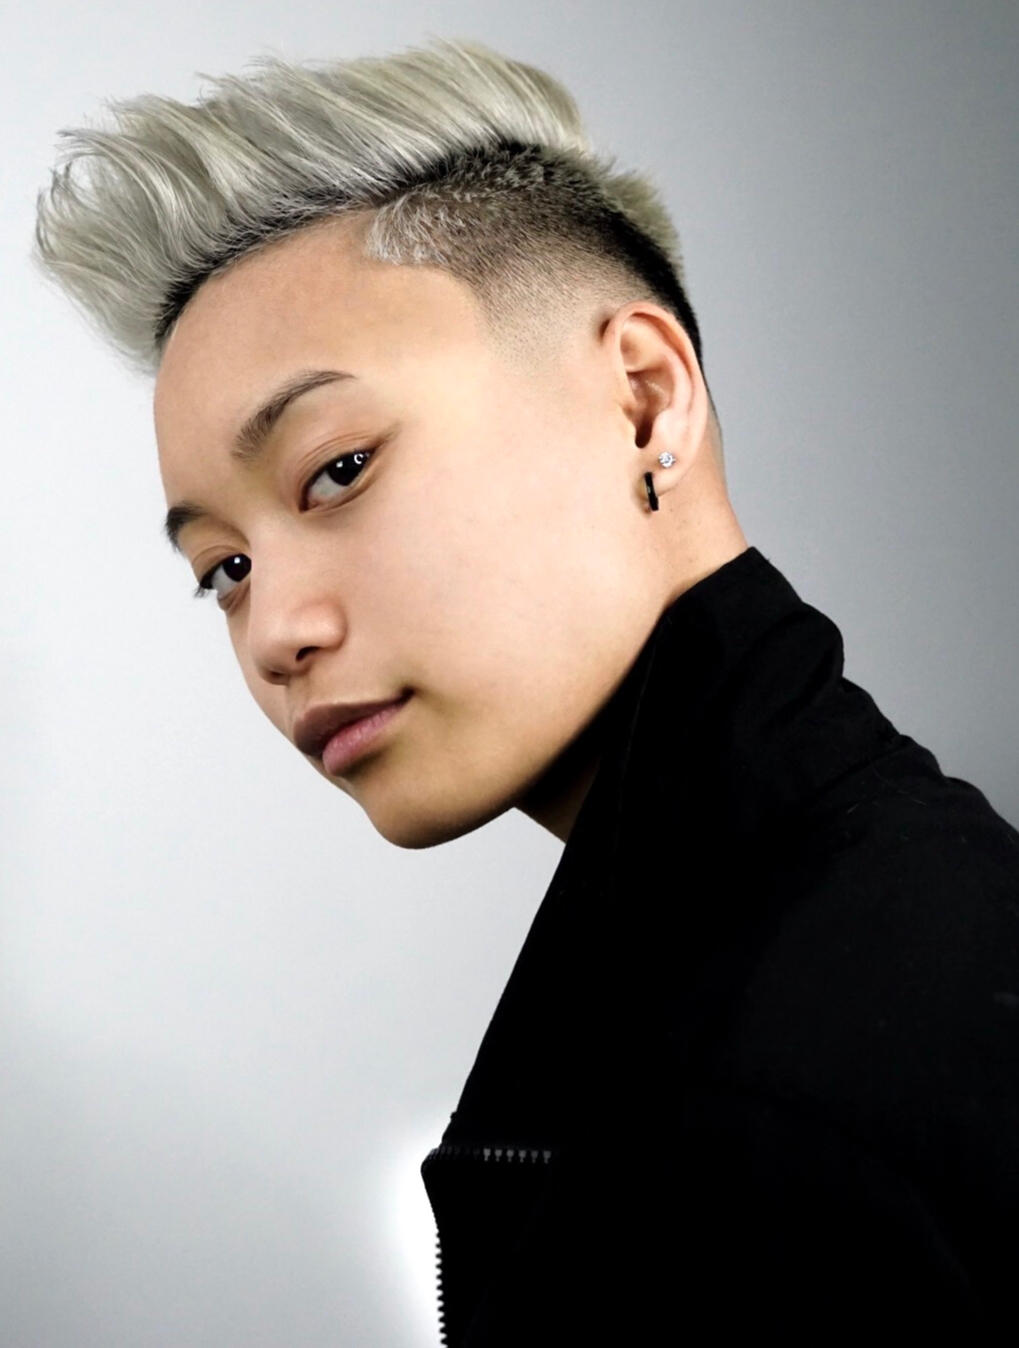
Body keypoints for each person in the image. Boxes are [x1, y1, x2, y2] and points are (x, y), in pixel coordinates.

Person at [32, 35, 1019, 1343]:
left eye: (338, 470)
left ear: (643, 401)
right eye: (225, 568)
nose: (274, 633)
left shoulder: (763, 1113)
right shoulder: (874, 911)